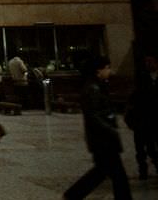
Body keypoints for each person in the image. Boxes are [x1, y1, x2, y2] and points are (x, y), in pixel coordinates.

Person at [64, 55, 132, 199]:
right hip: (103, 139)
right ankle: (73, 195)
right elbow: (93, 115)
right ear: (97, 70)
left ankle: (73, 195)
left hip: (101, 138)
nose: (110, 71)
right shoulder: (93, 88)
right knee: (112, 173)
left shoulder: (96, 86)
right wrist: (111, 129)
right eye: (107, 68)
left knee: (105, 172)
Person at [125, 54, 158, 180]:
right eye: (146, 62)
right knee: (141, 148)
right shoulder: (142, 78)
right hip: (142, 117)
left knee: (151, 147)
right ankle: (142, 170)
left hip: (153, 118)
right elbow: (134, 97)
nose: (148, 64)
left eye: (150, 62)